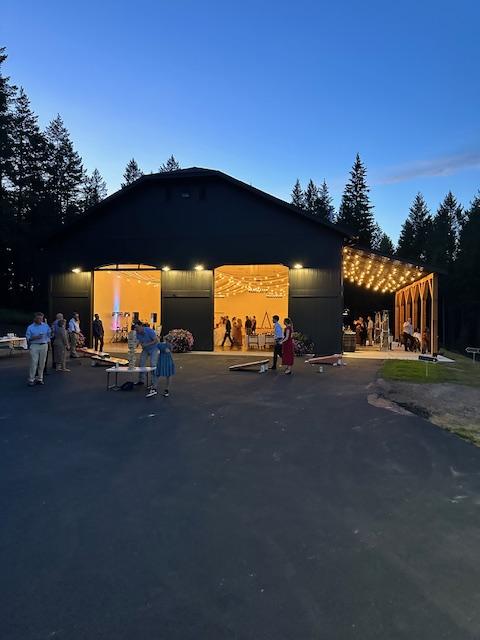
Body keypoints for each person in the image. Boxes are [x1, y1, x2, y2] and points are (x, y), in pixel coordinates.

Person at [26, 312, 51, 386]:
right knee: (34, 363)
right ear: (35, 318)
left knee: (42, 363)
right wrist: (35, 337)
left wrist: (51, 333)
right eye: (38, 318)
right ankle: (31, 379)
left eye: (41, 318)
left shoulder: (46, 326)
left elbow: (49, 335)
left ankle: (40, 378)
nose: (40, 320)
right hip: (34, 345)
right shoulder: (30, 327)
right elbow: (28, 338)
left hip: (44, 345)